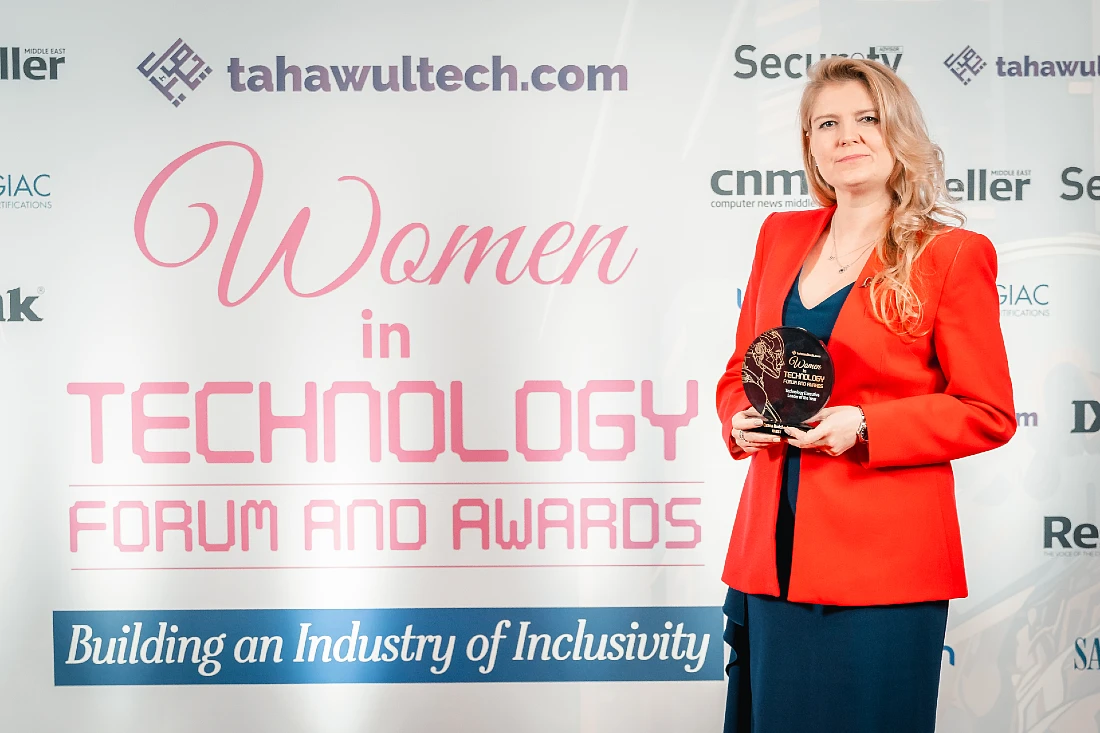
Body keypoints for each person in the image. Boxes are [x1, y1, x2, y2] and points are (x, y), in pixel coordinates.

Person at [715, 57, 1016, 732]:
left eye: (866, 118)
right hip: (771, 554)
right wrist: (740, 417)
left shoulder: (951, 254)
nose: (846, 136)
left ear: (897, 132)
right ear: (811, 145)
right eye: (828, 123)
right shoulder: (780, 235)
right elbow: (741, 369)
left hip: (883, 568)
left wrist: (868, 425)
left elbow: (988, 411)